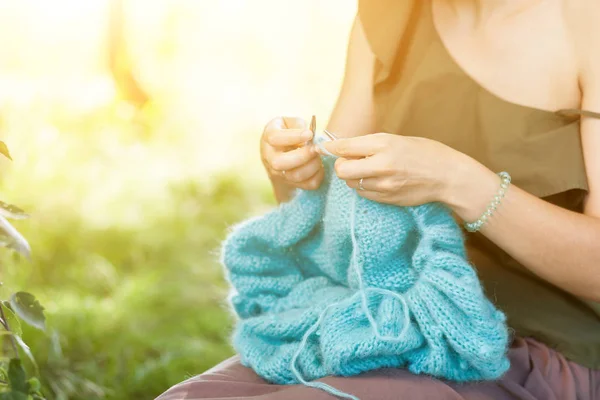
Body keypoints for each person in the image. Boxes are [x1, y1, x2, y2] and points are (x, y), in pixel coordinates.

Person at [157, 0, 600, 398]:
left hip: (537, 348)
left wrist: (457, 181)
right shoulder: (390, 13)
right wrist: (295, 170)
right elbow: (335, 215)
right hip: (384, 318)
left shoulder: (587, 23)